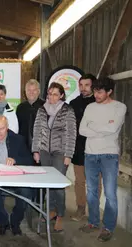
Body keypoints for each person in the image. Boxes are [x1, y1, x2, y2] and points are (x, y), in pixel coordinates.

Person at [79, 77, 126, 242]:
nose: (96, 95)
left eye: (99, 92)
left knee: (110, 193)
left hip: (109, 155)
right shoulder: (90, 107)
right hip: (90, 154)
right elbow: (82, 130)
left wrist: (94, 127)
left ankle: (108, 227)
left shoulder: (119, 107)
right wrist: (103, 128)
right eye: (95, 92)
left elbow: (113, 128)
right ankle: (93, 221)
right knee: (91, 192)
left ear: (109, 92)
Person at [32, 82, 76, 232]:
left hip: (60, 153)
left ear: (62, 95)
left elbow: (71, 135)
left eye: (55, 94)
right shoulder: (42, 110)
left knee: (58, 186)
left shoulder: (67, 111)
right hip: (44, 151)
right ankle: (51, 210)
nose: (52, 97)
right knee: (48, 184)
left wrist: (68, 155)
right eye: (50, 94)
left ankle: (60, 215)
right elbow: (37, 130)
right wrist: (35, 151)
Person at [69, 74, 102, 222]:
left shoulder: (100, 102)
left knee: (95, 181)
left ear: (93, 86)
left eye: (86, 85)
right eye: (81, 85)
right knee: (80, 181)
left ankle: (94, 210)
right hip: (79, 148)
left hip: (97, 148)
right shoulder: (74, 103)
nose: (83, 88)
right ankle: (80, 208)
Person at [16, 79, 45, 151]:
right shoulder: (20, 107)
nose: (31, 92)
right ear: (25, 92)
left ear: (38, 91)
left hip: (41, 147)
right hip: (23, 146)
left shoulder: (45, 106)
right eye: (29, 90)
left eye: (34, 90)